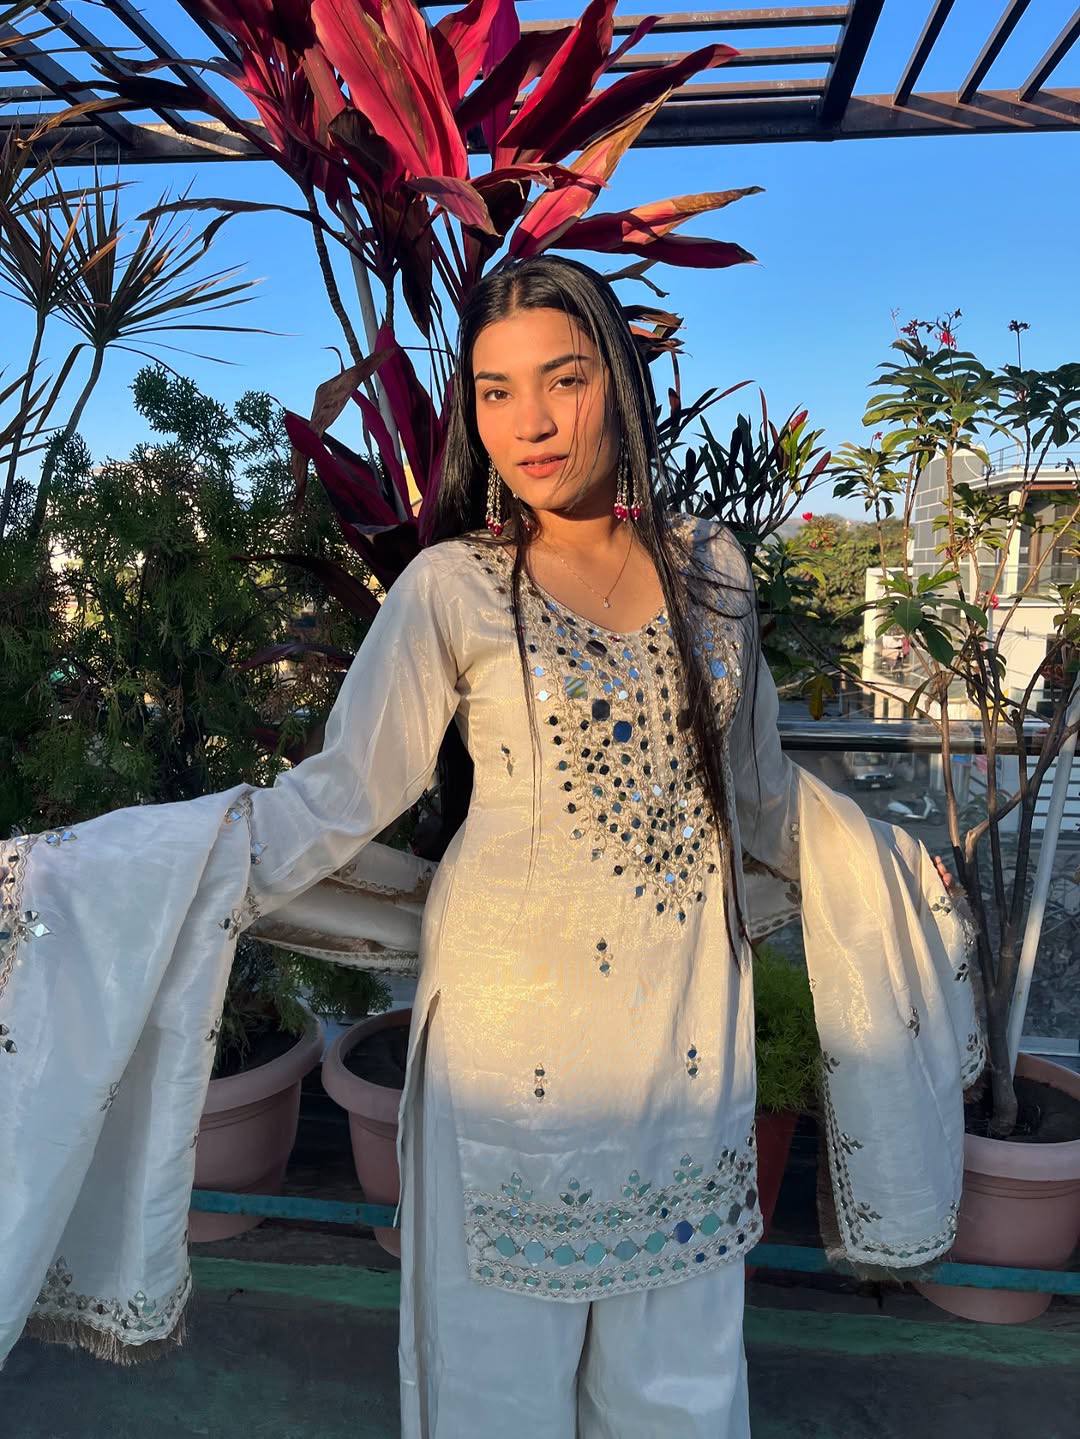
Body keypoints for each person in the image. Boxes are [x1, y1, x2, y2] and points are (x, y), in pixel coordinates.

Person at [0, 256, 980, 1434]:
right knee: (492, 1392)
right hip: (508, 1056)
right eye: (496, 390)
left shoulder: (712, 574)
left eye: (564, 379)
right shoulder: (451, 589)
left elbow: (763, 797)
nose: (532, 423)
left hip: (687, 1046)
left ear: (619, 383)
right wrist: (92, 871)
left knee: (680, 1390)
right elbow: (338, 799)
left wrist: (900, 866)